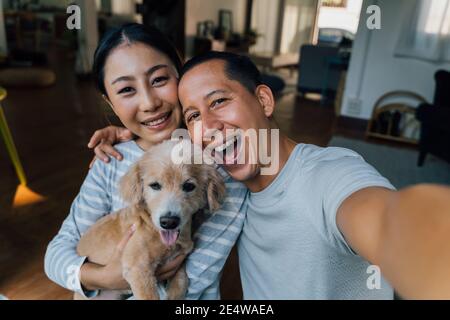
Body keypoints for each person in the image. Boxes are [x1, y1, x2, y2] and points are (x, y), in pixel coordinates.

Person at [94, 51, 450, 299]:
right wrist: (127, 134)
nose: (210, 126)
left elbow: (387, 217)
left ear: (264, 100)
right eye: (194, 116)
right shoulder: (215, 175)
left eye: (219, 101)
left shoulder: (329, 174)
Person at [44, 25, 247, 300]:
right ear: (110, 103)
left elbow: (195, 282)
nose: (149, 103)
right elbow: (55, 256)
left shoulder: (218, 167)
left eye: (159, 80)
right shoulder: (109, 162)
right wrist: (103, 277)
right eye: (127, 89)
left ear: (181, 75)